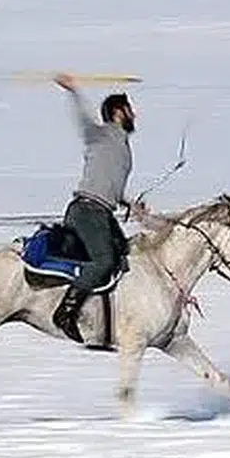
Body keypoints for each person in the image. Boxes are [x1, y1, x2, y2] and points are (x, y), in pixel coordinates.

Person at [50, 73, 137, 345]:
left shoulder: (123, 148)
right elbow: (83, 122)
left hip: (103, 212)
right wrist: (73, 91)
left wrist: (129, 202)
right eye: (130, 109)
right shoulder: (100, 135)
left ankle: (109, 322)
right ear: (118, 112)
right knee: (104, 261)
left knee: (125, 255)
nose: (135, 114)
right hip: (87, 211)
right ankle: (65, 313)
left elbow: (111, 186)